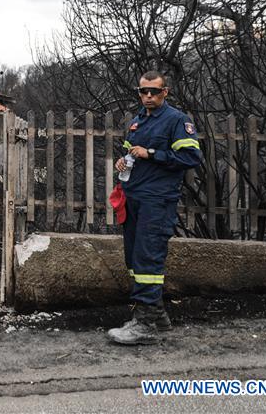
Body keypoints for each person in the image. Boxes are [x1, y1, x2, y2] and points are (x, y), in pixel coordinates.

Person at [107, 71, 202, 345]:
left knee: (148, 259)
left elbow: (191, 156)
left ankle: (145, 325)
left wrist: (152, 154)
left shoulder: (177, 120)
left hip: (157, 200)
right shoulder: (137, 122)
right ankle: (156, 315)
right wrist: (123, 162)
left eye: (154, 92)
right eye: (143, 91)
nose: (148, 96)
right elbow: (129, 153)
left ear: (165, 93)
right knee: (134, 260)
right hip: (134, 198)